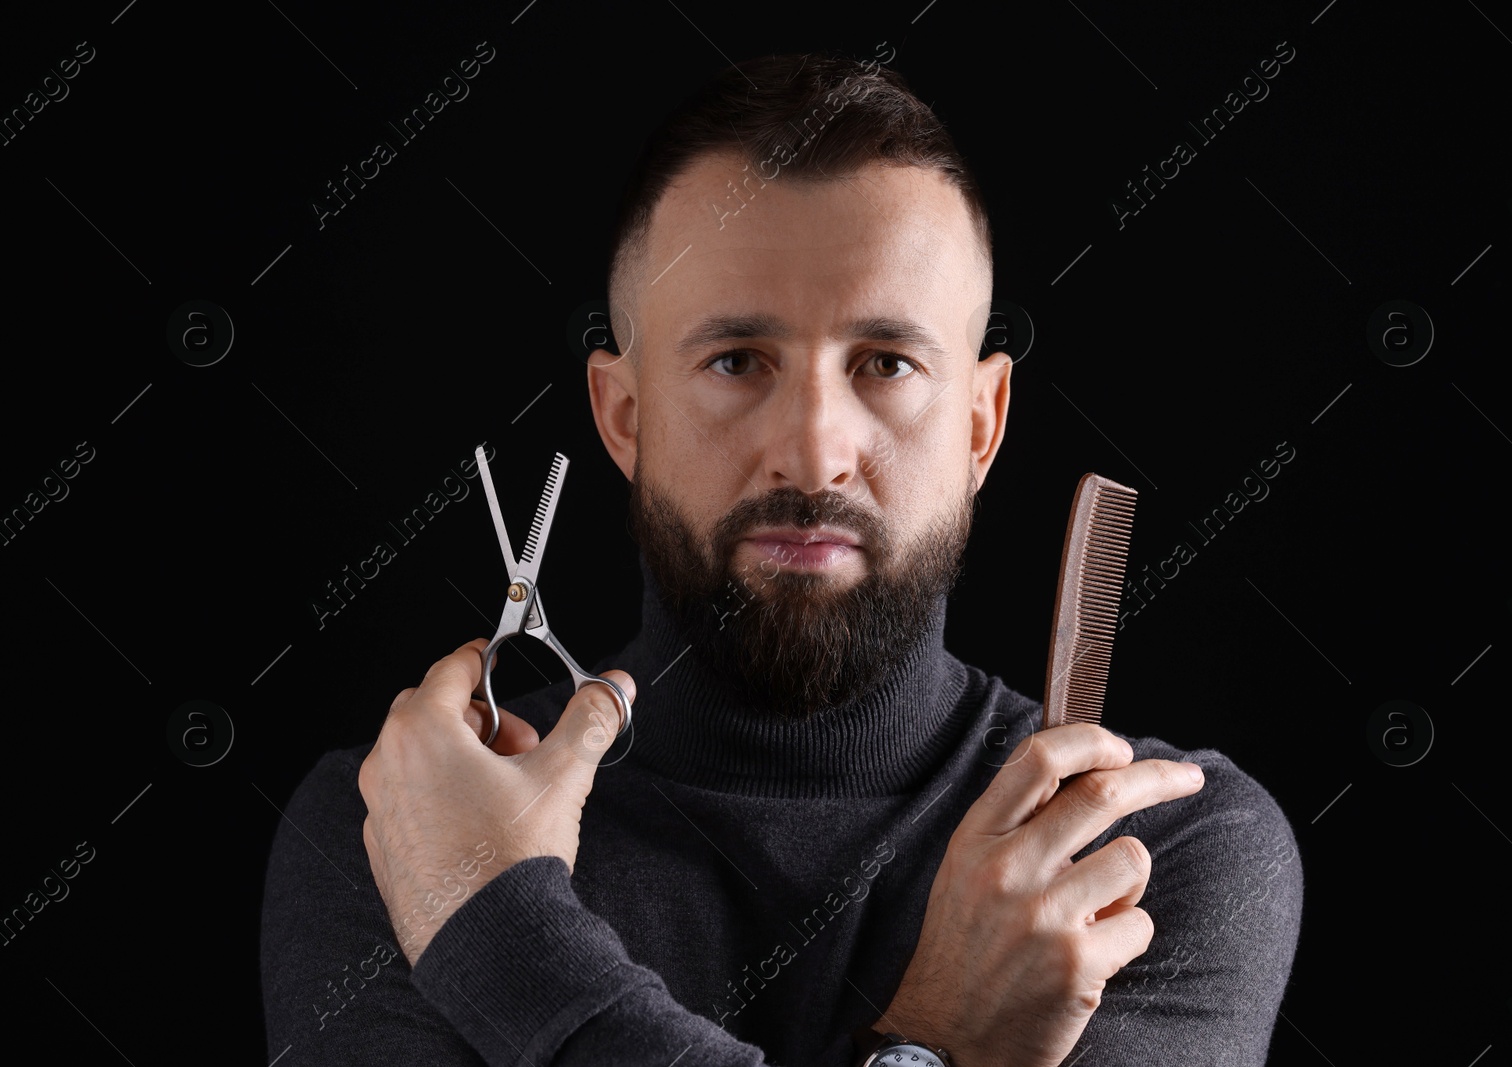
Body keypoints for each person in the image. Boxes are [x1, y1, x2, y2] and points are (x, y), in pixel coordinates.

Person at [260, 51, 1302, 1067]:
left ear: (981, 427)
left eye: (885, 363)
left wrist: (494, 925)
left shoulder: (1154, 858)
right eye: (735, 361)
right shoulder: (391, 821)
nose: (811, 451)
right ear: (625, 417)